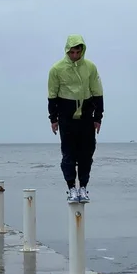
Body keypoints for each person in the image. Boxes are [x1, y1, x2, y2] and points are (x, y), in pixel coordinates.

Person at [47, 34, 104, 203]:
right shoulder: (56, 69)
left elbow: (98, 93)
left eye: (77, 52)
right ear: (67, 51)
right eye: (71, 52)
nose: (74, 56)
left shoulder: (90, 67)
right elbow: (52, 95)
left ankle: (84, 187)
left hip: (86, 117)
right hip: (66, 118)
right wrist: (53, 119)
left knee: (87, 154)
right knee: (69, 154)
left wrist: (98, 117)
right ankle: (71, 187)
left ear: (82, 51)